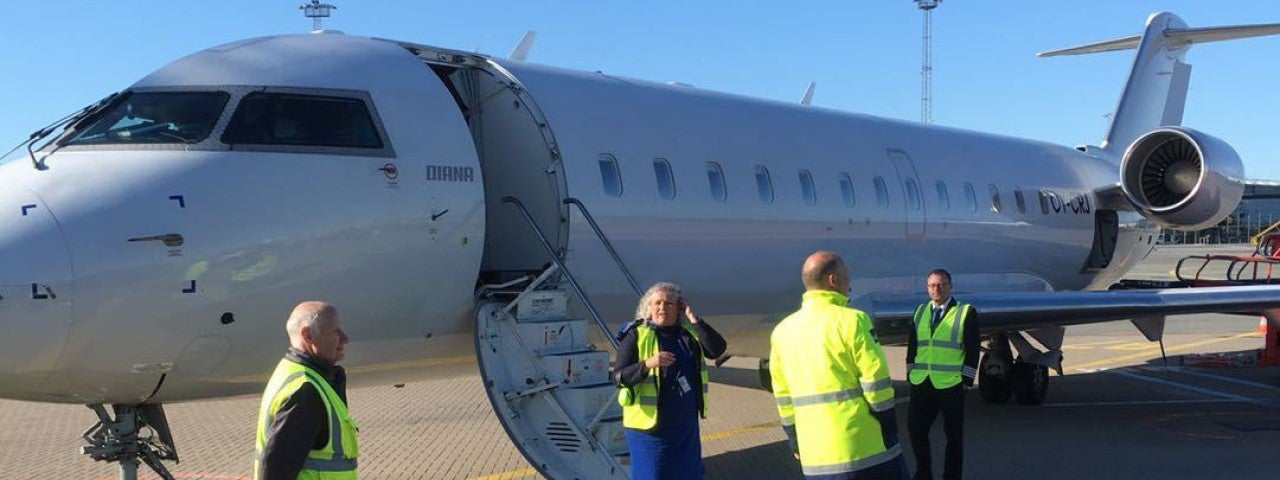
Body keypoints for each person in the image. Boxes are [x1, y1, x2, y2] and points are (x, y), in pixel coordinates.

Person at [770, 251, 907, 479]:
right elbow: (876, 384)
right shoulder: (853, 320)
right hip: (864, 451)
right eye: (847, 277)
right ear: (833, 280)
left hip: (815, 458)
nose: (849, 283)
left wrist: (795, 442)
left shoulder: (782, 331)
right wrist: (889, 430)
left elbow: (783, 398)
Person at [614, 282, 728, 480]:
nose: (662, 308)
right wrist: (647, 365)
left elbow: (716, 350)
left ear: (679, 308)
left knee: (688, 474)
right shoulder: (635, 335)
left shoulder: (688, 333)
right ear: (648, 307)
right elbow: (618, 377)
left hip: (684, 427)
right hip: (650, 431)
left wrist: (694, 319)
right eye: (657, 303)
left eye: (668, 304)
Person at [253, 301, 358, 480]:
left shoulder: (298, 373)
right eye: (335, 331)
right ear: (308, 335)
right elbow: (277, 470)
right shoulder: (305, 391)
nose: (345, 338)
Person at [906, 269, 979, 480]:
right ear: (927, 288)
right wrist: (911, 373)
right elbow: (913, 346)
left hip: (951, 383)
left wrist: (967, 379)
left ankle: (952, 476)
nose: (936, 289)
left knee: (954, 436)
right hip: (922, 382)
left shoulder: (965, 312)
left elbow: (973, 349)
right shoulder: (920, 311)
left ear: (950, 286)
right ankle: (924, 473)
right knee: (915, 430)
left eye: (941, 285)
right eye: (932, 285)